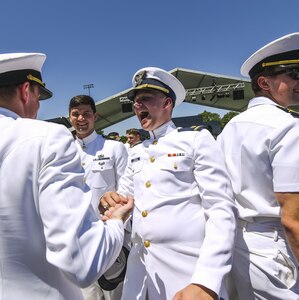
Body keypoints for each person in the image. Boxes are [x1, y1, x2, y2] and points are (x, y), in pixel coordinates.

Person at [0, 53, 133, 300]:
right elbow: (83, 262)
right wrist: (116, 223)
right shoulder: (48, 139)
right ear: (25, 92)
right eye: (38, 97)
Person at [217, 32, 299, 299]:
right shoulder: (291, 127)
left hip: (233, 249)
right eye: (295, 73)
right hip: (273, 252)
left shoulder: (231, 127)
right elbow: (297, 222)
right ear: (264, 82)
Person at [101, 67, 237, 299]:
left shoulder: (195, 139)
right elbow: (123, 201)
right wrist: (109, 203)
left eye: (145, 99)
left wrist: (207, 281)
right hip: (139, 279)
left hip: (187, 276)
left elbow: (221, 210)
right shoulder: (136, 152)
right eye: (135, 101)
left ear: (167, 103)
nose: (137, 106)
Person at [68, 94, 129, 300]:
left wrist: (123, 236)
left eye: (86, 113)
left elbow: (126, 191)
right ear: (70, 118)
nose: (81, 118)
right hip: (77, 238)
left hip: (108, 235)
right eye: (76, 114)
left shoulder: (114, 148)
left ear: (95, 116)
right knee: (87, 296)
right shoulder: (63, 151)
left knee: (115, 294)